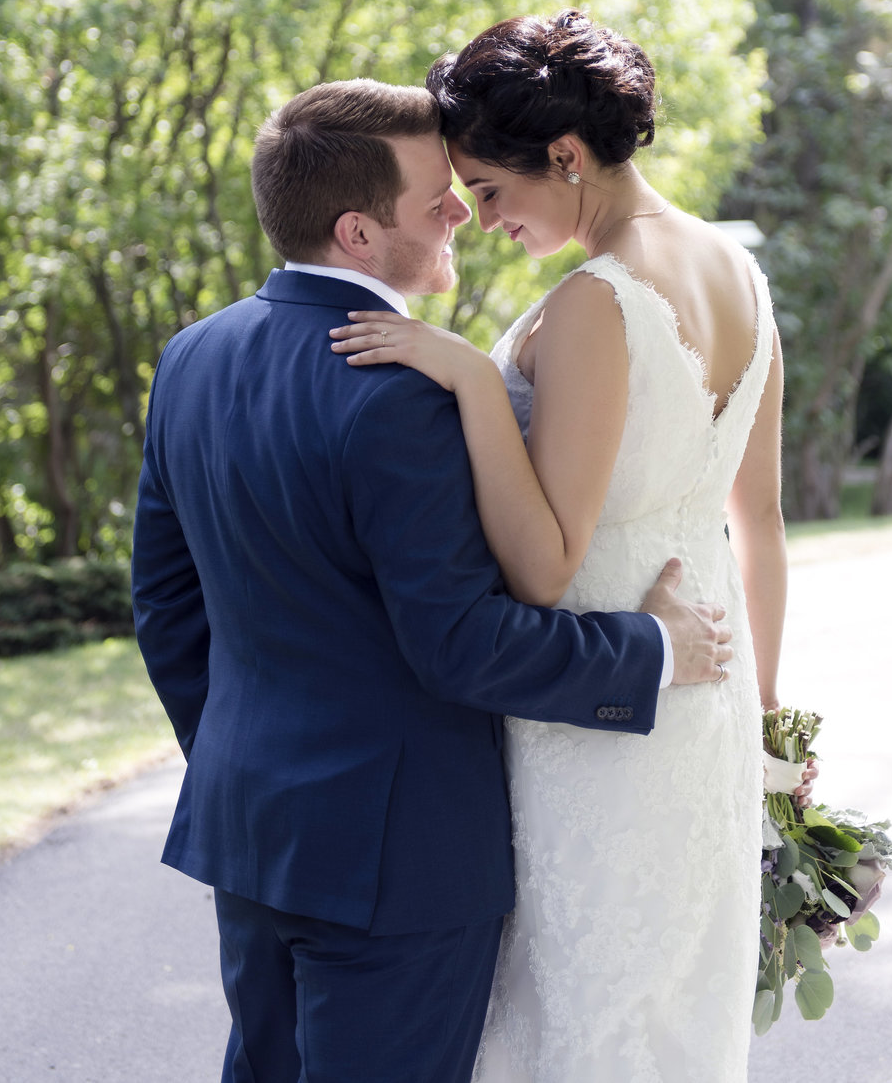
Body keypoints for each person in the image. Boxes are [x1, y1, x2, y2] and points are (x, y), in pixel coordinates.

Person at [131, 78, 734, 1083]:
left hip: (250, 831)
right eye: (436, 199)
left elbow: (165, 605)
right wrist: (659, 647)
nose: (463, 206)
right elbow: (464, 642)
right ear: (359, 234)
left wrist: (249, 757)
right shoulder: (400, 394)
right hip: (396, 865)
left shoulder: (192, 357)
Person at [330, 12, 788, 1082]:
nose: (482, 218)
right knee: (667, 1016)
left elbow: (543, 565)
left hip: (597, 724)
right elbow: (758, 525)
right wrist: (771, 725)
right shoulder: (739, 271)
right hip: (704, 720)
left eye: (490, 188)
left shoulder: (598, 301)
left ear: (569, 157)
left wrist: (476, 379)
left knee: (583, 1018)